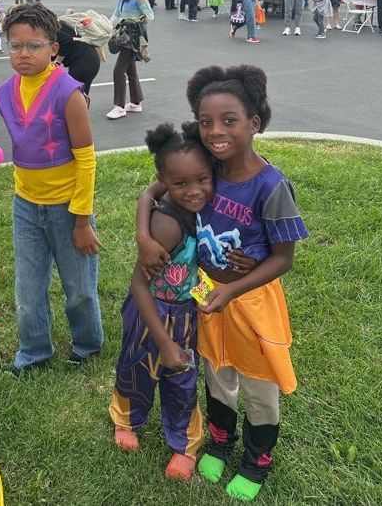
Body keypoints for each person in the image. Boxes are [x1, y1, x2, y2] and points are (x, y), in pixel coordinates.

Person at [137, 64, 308, 502]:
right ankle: (219, 442)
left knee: (258, 385)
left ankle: (256, 460)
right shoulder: (206, 165)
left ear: (254, 123)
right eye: (206, 121)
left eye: (229, 121)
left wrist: (235, 286)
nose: (215, 131)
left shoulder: (271, 185)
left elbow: (283, 258)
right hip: (207, 293)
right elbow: (151, 194)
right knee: (216, 373)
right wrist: (143, 233)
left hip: (250, 301)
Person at [0, 3, 103, 374]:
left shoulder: (69, 94)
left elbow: (86, 160)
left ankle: (87, 343)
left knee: (79, 289)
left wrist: (82, 219)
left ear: (54, 48)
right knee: (28, 289)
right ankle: (34, 350)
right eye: (15, 46)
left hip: (67, 208)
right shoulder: (5, 92)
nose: (24, 54)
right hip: (26, 205)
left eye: (34, 46)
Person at [109, 122, 213, 479]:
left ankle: (184, 444)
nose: (195, 190)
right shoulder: (166, 226)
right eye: (181, 183)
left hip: (186, 310)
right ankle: (126, 420)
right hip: (151, 311)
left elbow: (147, 191)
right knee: (137, 369)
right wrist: (165, 342)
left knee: (182, 378)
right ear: (165, 180)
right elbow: (139, 285)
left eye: (202, 179)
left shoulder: (200, 194)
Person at [107, 0, 154, 120]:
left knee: (118, 71)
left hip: (132, 39)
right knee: (130, 71)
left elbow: (149, 15)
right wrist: (104, 28)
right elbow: (115, 16)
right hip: (123, 38)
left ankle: (119, 107)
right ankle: (135, 103)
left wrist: (132, 22)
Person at [55, 20, 101, 95]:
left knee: (72, 95)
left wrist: (57, 63)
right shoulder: (59, 25)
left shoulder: (50, 30)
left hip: (83, 62)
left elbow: (67, 40)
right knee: (81, 96)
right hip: (90, 58)